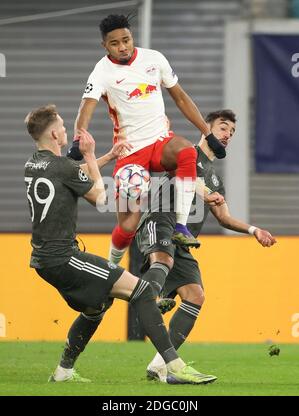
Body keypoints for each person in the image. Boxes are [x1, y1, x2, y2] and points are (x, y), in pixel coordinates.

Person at [24, 104, 218, 385]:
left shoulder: (34, 164)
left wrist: (107, 156)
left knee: (95, 309)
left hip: (43, 260)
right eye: (64, 127)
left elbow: (70, 173)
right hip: (64, 257)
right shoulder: (63, 167)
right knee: (140, 291)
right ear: (55, 134)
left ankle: (64, 370)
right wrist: (91, 155)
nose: (68, 131)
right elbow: (101, 199)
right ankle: (173, 365)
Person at [67, 13, 226, 265]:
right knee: (128, 225)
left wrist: (208, 133)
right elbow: (85, 107)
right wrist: (78, 138)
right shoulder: (101, 72)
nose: (123, 47)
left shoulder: (154, 58)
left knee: (187, 152)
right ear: (104, 46)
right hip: (130, 152)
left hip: (161, 142)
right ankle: (111, 265)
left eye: (126, 40)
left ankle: (181, 227)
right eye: (115, 43)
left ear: (132, 37)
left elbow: (181, 99)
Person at [134, 109, 277, 382]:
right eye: (223, 128)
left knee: (196, 296)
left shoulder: (215, 178)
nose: (228, 135)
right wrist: (207, 193)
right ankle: (154, 294)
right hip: (160, 221)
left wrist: (253, 229)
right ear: (206, 129)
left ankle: (159, 366)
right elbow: (181, 176)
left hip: (183, 241)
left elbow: (223, 217)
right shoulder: (186, 152)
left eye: (232, 132)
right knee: (163, 261)